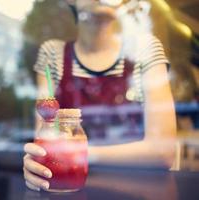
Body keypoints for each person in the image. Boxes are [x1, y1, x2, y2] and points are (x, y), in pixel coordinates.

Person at [23, 0, 176, 191]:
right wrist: (36, 164)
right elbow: (44, 141)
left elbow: (163, 152)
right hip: (70, 188)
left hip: (138, 190)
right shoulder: (53, 54)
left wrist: (74, 154)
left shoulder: (144, 48)